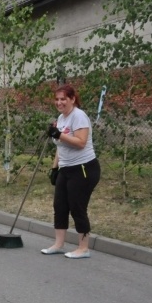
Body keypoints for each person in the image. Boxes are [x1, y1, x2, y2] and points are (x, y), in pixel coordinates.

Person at [42, 84, 101, 259]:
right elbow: (61, 147)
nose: (59, 103)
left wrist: (59, 134)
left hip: (83, 168)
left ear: (72, 99)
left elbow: (80, 142)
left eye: (63, 99)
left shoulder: (79, 116)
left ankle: (83, 248)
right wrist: (55, 168)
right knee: (59, 206)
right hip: (65, 168)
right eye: (57, 99)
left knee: (77, 207)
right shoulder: (61, 118)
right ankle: (59, 244)